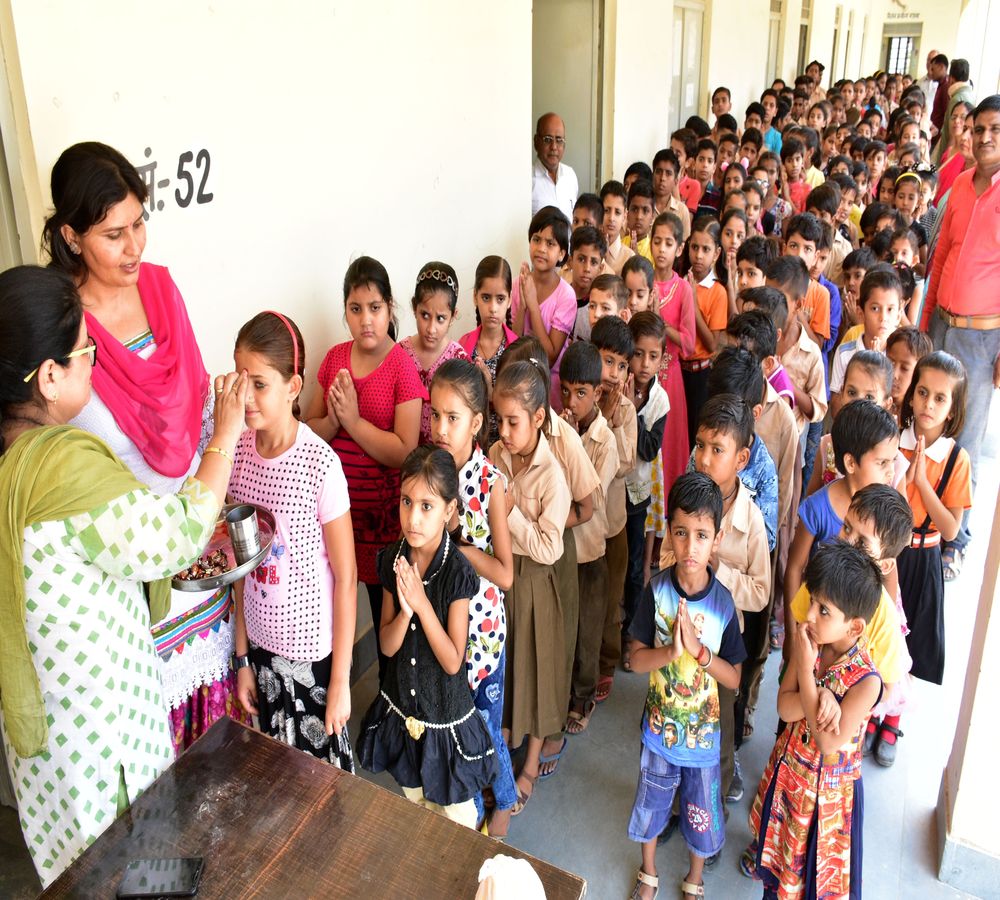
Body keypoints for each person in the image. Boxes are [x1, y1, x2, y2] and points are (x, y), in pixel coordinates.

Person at [0, 265, 246, 886]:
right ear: (48, 376)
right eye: (85, 350)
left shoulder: (13, 458)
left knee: (75, 873)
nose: (94, 361)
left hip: (45, 737)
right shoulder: (60, 469)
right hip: (101, 731)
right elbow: (181, 534)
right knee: (131, 867)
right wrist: (225, 434)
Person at [42, 142, 248, 753]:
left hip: (196, 557)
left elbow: (194, 407)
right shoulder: (62, 329)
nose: (135, 247)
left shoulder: (160, 290)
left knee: (214, 746)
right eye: (114, 234)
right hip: (126, 575)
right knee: (153, 763)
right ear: (72, 237)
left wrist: (231, 410)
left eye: (140, 224)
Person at [228, 312, 356, 770]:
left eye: (259, 383)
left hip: (312, 658)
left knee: (322, 790)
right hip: (261, 651)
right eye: (240, 380)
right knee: (275, 779)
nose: (245, 396)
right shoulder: (238, 453)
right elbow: (240, 566)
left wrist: (340, 682)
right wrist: (242, 657)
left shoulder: (320, 465)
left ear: (293, 386)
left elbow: (346, 579)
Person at [358, 446, 498, 828]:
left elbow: (453, 660)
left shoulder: (457, 572)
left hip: (445, 722)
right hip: (405, 714)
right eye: (407, 502)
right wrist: (405, 612)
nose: (413, 518)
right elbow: (387, 646)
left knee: (459, 820)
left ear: (449, 510)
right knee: (418, 808)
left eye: (427, 506)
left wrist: (421, 602)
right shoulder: (393, 561)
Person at [627, 472, 746, 900]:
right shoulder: (656, 592)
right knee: (652, 804)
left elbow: (733, 677)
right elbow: (635, 659)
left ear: (717, 538)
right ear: (670, 534)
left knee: (699, 811)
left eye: (701, 534)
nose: (690, 546)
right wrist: (670, 653)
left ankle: (695, 877)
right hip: (659, 733)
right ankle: (649, 872)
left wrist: (700, 654)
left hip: (703, 739)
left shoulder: (722, 605)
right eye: (681, 533)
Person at [305, 256, 425, 681]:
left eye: (374, 308)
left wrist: (353, 423)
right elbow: (312, 431)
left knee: (384, 617)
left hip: (383, 521)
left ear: (390, 308)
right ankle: (335, 698)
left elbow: (405, 451)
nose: (366, 320)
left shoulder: (401, 366)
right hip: (335, 516)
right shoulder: (336, 358)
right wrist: (334, 422)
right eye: (355, 309)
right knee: (334, 612)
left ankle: (389, 713)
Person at [749, 542, 883, 900]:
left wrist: (809, 677)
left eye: (824, 610)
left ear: (854, 626)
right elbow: (784, 708)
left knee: (810, 885)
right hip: (792, 779)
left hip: (827, 804)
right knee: (777, 878)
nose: (809, 616)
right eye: (812, 600)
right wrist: (818, 691)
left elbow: (827, 742)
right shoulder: (812, 641)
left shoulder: (867, 682)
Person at [429, 358, 516, 836]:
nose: (440, 428)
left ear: (477, 423)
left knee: (482, 727)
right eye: (434, 414)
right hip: (442, 629)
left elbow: (505, 575)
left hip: (480, 637)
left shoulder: (489, 484)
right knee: (455, 729)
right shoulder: (432, 472)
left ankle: (501, 805)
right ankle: (469, 811)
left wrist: (460, 546)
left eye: (453, 418)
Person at [488, 359, 572, 815]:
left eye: (513, 422)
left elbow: (548, 547)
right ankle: (501, 759)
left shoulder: (551, 476)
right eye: (498, 419)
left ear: (538, 418)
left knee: (536, 675)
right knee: (506, 670)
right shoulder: (497, 457)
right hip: (501, 584)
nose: (503, 430)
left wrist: (507, 512)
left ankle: (529, 765)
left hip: (535, 587)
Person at [923, 95, 1000, 582]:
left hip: (981, 338)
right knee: (927, 421)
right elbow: (943, 254)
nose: (986, 138)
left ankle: (957, 538)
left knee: (964, 438)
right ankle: (921, 517)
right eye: (979, 129)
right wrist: (927, 316)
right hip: (942, 324)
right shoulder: (960, 187)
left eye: (996, 129)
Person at [897, 353, 972, 693]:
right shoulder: (894, 439)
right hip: (888, 553)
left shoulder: (956, 458)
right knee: (880, 630)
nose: (929, 404)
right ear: (911, 395)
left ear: (952, 409)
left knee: (913, 636)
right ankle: (871, 706)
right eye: (923, 392)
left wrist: (923, 484)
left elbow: (952, 530)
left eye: (941, 398)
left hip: (924, 559)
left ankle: (892, 718)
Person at [784, 399, 900, 605]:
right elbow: (794, 568)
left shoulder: (883, 509)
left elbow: (890, 578)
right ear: (850, 463)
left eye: (893, 460)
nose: (891, 471)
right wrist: (792, 633)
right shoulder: (818, 508)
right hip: (821, 613)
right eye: (882, 463)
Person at [560, 342, 619, 737]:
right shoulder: (559, 429)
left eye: (581, 393)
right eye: (565, 391)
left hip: (592, 552)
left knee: (587, 632)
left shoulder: (604, 441)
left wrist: (569, 440)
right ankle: (563, 692)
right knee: (565, 627)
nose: (572, 400)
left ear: (597, 393)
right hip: (562, 550)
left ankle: (583, 698)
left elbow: (590, 497)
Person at [645, 213, 696, 494]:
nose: (661, 249)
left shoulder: (683, 289)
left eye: (668, 243)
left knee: (669, 443)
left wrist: (660, 323)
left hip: (671, 376)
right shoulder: (643, 279)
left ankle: (668, 504)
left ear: (678, 249)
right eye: (657, 241)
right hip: (643, 372)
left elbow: (688, 344)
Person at [624, 312, 670, 617]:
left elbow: (649, 449)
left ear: (662, 359)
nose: (644, 363)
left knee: (634, 563)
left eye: (653, 356)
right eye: (638, 354)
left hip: (638, 495)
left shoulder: (659, 401)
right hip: (613, 489)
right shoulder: (617, 385)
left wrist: (632, 411)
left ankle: (630, 630)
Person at [510, 206, 577, 410]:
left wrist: (533, 305)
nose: (541, 248)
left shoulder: (566, 295)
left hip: (551, 386)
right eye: (536, 239)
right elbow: (514, 342)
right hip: (520, 380)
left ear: (561, 254)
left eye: (550, 243)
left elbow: (550, 356)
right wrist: (522, 305)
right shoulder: (517, 284)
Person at [400, 263, 469, 443]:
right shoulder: (399, 355)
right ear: (415, 308)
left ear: (453, 316)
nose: (431, 328)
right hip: (403, 459)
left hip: (444, 461)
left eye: (440, 318)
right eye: (424, 315)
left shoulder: (459, 359)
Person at [458, 256, 518, 447]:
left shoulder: (516, 349)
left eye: (500, 299)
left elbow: (521, 408)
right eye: (486, 298)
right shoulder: (463, 346)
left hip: (507, 448)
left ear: (509, 300)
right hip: (470, 449)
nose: (493, 308)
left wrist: (491, 393)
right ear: (475, 297)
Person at [681, 217, 727, 446]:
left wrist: (691, 300)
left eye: (706, 249)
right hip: (679, 370)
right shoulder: (680, 282)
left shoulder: (718, 292)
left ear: (716, 254)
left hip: (701, 375)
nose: (698, 255)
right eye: (694, 247)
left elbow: (711, 343)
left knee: (695, 435)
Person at [531, 112, 578, 220]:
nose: (554, 147)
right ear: (536, 142)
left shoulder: (570, 175)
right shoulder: (527, 180)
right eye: (547, 139)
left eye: (559, 140)